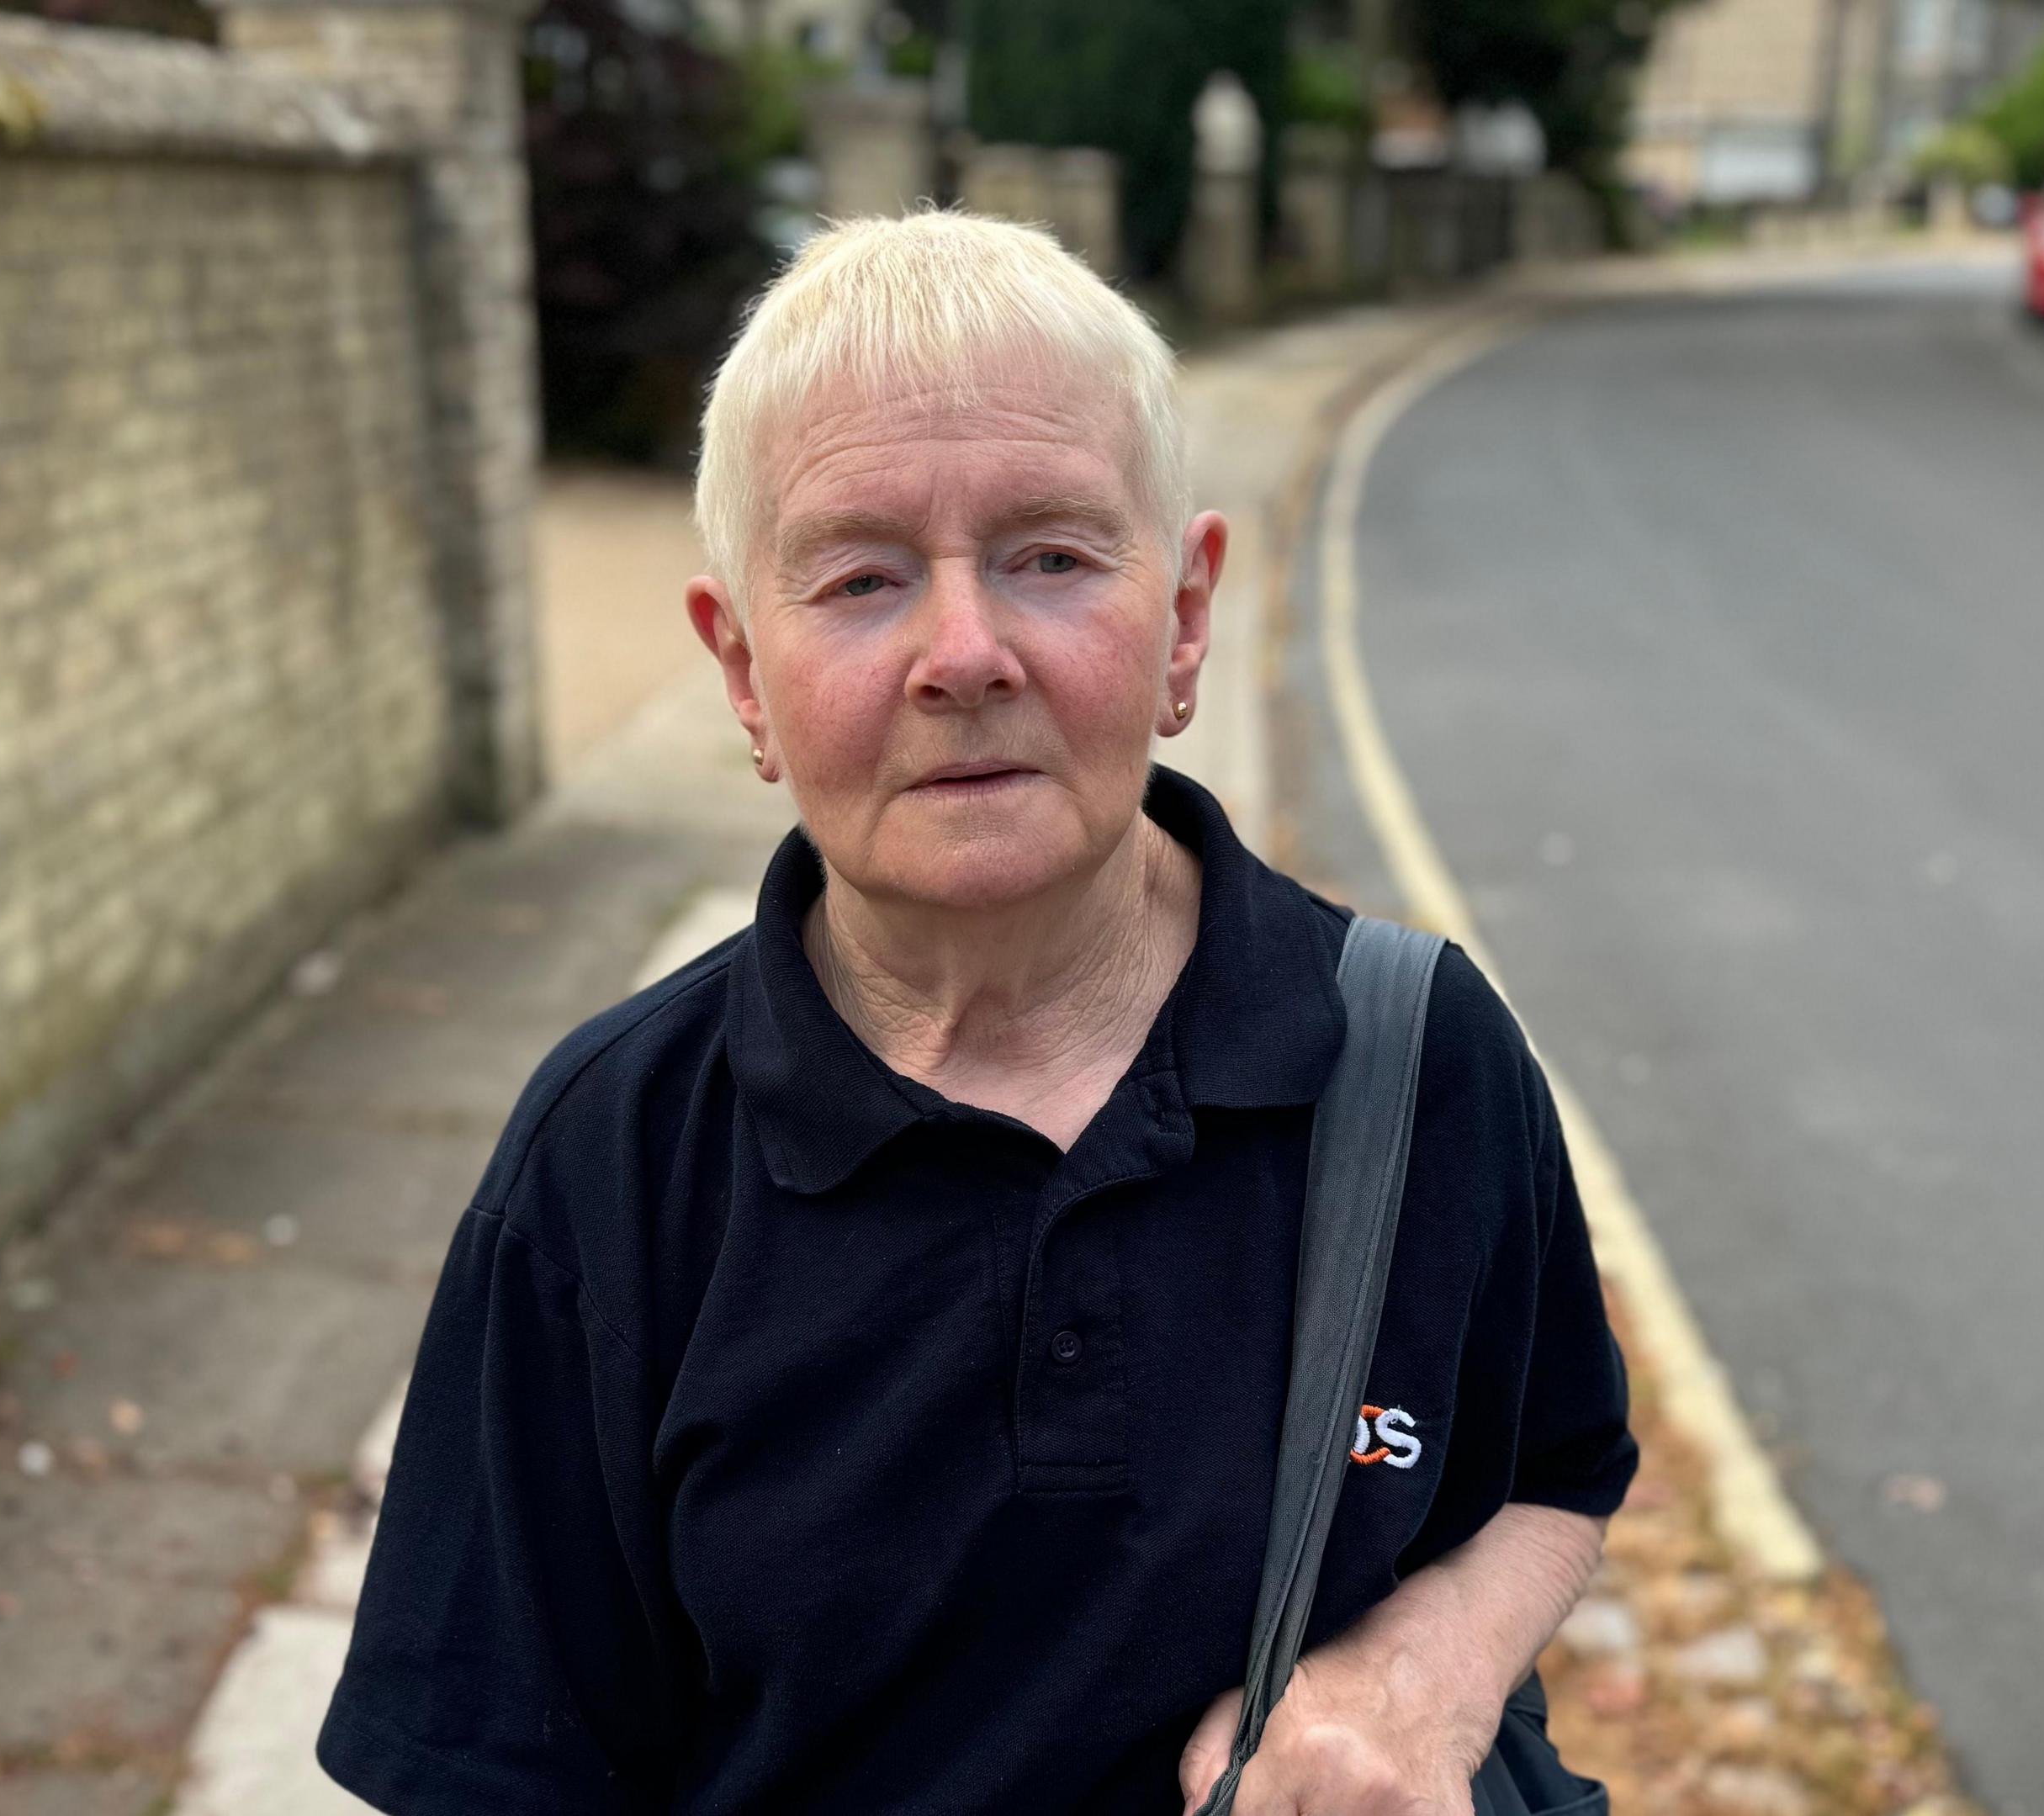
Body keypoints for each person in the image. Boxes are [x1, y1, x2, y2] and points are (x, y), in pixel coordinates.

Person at [315, 210, 1636, 1814]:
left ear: (1188, 618)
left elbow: (1560, 1467)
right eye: (862, 578)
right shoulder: (610, 1165)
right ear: (742, 671)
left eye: (1053, 557)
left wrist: (1421, 1682)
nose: (966, 653)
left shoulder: (1419, 1060)